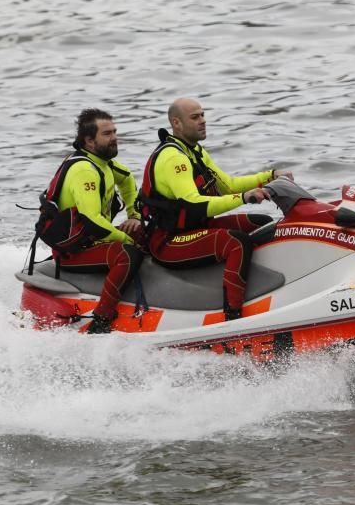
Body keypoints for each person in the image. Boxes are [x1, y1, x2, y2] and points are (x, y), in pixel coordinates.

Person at [138, 98, 294, 321]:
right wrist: (243, 198)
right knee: (237, 242)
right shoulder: (173, 158)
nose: (202, 121)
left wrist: (269, 176)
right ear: (176, 123)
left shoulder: (195, 151)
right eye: (195, 117)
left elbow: (227, 185)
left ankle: (272, 289)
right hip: (169, 241)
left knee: (261, 222)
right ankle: (233, 316)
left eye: (202, 115)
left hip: (196, 228)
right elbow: (195, 203)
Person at [36, 108, 144, 334]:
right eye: (107, 134)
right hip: (73, 252)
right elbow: (92, 220)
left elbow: (128, 183)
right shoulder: (84, 170)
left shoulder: (105, 164)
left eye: (115, 131)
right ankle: (101, 320)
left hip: (94, 241)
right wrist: (125, 238)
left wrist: (135, 216)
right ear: (89, 140)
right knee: (126, 253)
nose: (115, 137)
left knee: (146, 231)